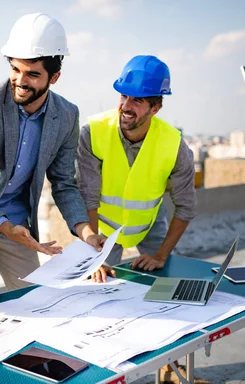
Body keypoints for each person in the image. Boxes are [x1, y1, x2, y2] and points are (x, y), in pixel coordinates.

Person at [0, 13, 104, 302]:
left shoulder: (67, 115)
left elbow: (64, 184)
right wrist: (4, 225)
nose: (20, 80)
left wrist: (86, 232)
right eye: (15, 69)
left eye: (32, 74)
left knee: (35, 304)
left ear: (54, 77)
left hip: (18, 226)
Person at [77, 55, 197, 280]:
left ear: (156, 108)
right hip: (104, 228)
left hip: (150, 224)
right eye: (124, 96)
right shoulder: (93, 132)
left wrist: (161, 256)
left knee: (162, 282)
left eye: (138, 100)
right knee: (96, 285)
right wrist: (93, 260)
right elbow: (87, 197)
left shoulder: (174, 144)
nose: (125, 106)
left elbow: (186, 207)